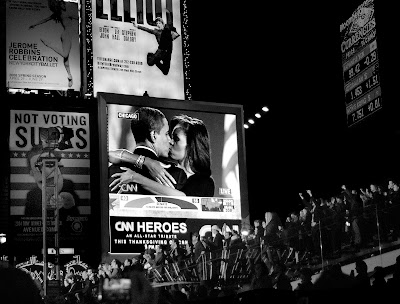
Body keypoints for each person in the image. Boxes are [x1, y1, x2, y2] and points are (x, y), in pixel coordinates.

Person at [110, 114, 215, 197]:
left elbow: (183, 199)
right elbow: (109, 154)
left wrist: (135, 177)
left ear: (191, 146)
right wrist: (146, 161)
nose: (170, 141)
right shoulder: (160, 165)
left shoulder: (204, 181)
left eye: (176, 139)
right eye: (169, 136)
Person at [108, 107, 187, 195]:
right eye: (166, 134)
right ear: (153, 135)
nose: (170, 140)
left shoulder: (112, 171)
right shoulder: (175, 176)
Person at [28, 0, 78, 87]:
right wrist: (34, 24)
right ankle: (49, 44)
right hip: (66, 34)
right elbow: (45, 20)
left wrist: (34, 25)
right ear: (60, 5)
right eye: (63, 4)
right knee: (65, 55)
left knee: (66, 59)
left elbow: (45, 20)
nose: (64, 5)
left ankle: (70, 76)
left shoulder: (62, 14)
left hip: (67, 35)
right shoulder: (65, 13)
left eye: (64, 3)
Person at [25, 144, 80, 222]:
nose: (47, 172)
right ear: (31, 173)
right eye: (38, 166)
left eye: (50, 164)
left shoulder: (68, 185)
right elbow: (27, 218)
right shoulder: (32, 195)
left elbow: (76, 207)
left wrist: (70, 201)